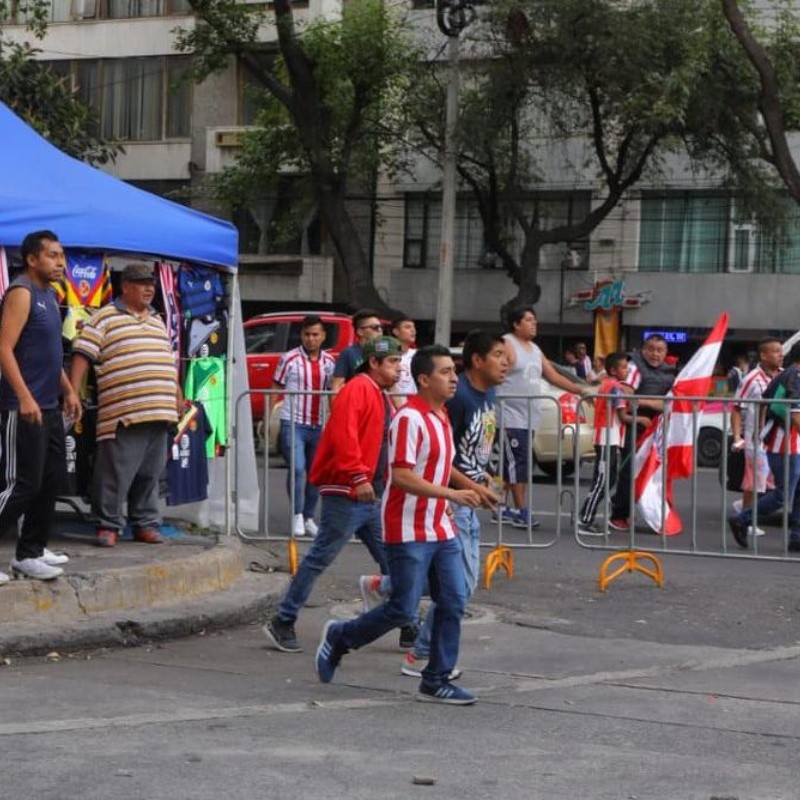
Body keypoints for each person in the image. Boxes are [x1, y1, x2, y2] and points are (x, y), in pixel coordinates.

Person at [313, 345, 484, 705]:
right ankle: (340, 637)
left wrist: (472, 487)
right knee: (403, 609)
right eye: (445, 372)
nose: (454, 378)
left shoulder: (441, 417)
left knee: (453, 600)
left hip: (440, 527)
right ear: (424, 379)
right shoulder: (409, 419)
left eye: (454, 371)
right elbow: (403, 476)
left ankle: (435, 678)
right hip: (407, 529)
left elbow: (440, 463)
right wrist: (452, 496)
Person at [263, 336, 403, 653]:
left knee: (393, 562)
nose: (398, 369)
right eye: (393, 362)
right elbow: (344, 436)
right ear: (374, 363)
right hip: (350, 491)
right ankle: (282, 620)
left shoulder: (379, 394)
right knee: (320, 557)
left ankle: (407, 624)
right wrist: (357, 476)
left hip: (369, 494)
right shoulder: (358, 389)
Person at [399, 330, 505, 678]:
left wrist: (485, 477)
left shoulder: (487, 395)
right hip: (451, 502)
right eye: (498, 355)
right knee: (460, 588)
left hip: (467, 499)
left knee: (450, 584)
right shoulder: (456, 403)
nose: (506, 363)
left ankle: (381, 587)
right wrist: (461, 491)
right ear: (477, 360)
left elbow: (472, 450)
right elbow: (440, 462)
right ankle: (422, 654)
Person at [70, 262, 181, 548]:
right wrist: (71, 392)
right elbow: (82, 354)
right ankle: (108, 524)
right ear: (126, 286)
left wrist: (177, 396)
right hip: (123, 412)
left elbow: (168, 362)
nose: (149, 289)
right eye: (142, 283)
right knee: (114, 473)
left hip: (159, 409)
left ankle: (144, 523)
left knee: (150, 473)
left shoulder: (157, 320)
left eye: (152, 284)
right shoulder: (104, 317)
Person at [0, 230, 81, 583]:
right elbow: (4, 348)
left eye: (61, 255)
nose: (60, 262)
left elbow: (50, 356)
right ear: (32, 259)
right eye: (52, 255)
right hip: (23, 406)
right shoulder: (22, 291)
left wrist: (69, 391)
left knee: (49, 483)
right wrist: (24, 396)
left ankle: (29, 553)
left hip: (48, 405)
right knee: (22, 484)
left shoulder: (51, 294)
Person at [496, 305, 592, 528]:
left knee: (512, 464)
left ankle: (498, 505)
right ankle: (520, 511)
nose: (534, 323)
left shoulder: (535, 349)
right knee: (517, 464)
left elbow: (553, 376)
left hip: (529, 416)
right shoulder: (506, 345)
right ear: (516, 324)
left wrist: (581, 390)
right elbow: (493, 373)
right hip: (509, 415)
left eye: (535, 319)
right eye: (528, 319)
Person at [729, 343, 800, 553]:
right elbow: (795, 416)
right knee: (782, 494)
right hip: (784, 442)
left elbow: (765, 402)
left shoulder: (785, 374)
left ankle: (797, 535)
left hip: (788, 442)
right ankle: (742, 519)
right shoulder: (795, 376)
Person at [274, 315, 336, 538]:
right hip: (293, 422)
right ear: (301, 335)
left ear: (323, 336)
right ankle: (297, 514)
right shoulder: (289, 359)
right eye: (307, 334)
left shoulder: (330, 362)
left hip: (319, 424)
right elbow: (275, 388)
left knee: (315, 474)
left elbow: (333, 392)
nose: (311, 339)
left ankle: (309, 516)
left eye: (315, 335)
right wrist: (271, 416)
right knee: (298, 468)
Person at [608, 333, 675, 532]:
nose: (655, 354)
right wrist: (654, 403)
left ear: (665, 353)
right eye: (651, 349)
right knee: (630, 469)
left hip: (657, 427)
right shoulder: (635, 368)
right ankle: (619, 513)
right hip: (635, 423)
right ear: (643, 350)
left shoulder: (669, 372)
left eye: (660, 350)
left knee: (655, 470)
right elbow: (626, 396)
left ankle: (656, 511)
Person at [578, 352, 646, 534]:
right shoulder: (615, 388)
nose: (627, 370)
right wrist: (641, 420)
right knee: (603, 480)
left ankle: (586, 517)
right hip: (606, 437)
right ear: (614, 369)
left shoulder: (609, 385)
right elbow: (623, 416)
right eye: (624, 367)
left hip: (609, 437)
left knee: (608, 479)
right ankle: (584, 519)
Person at [730, 338, 783, 535]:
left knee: (773, 480)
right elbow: (736, 408)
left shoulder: (784, 376)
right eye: (776, 351)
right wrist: (737, 437)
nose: (780, 354)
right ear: (763, 355)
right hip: (755, 439)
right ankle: (746, 519)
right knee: (755, 481)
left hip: (775, 439)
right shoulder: (751, 378)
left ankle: (742, 506)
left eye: (780, 351)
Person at [330, 309, 383, 394]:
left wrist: (402, 407)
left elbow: (393, 388)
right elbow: (337, 387)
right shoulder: (348, 353)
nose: (380, 331)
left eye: (381, 327)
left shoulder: (384, 352)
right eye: (375, 327)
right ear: (360, 332)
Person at [390, 314, 417, 407]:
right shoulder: (386, 356)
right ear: (396, 331)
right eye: (407, 327)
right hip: (392, 408)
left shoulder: (417, 355)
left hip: (413, 407)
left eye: (413, 327)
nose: (413, 330)